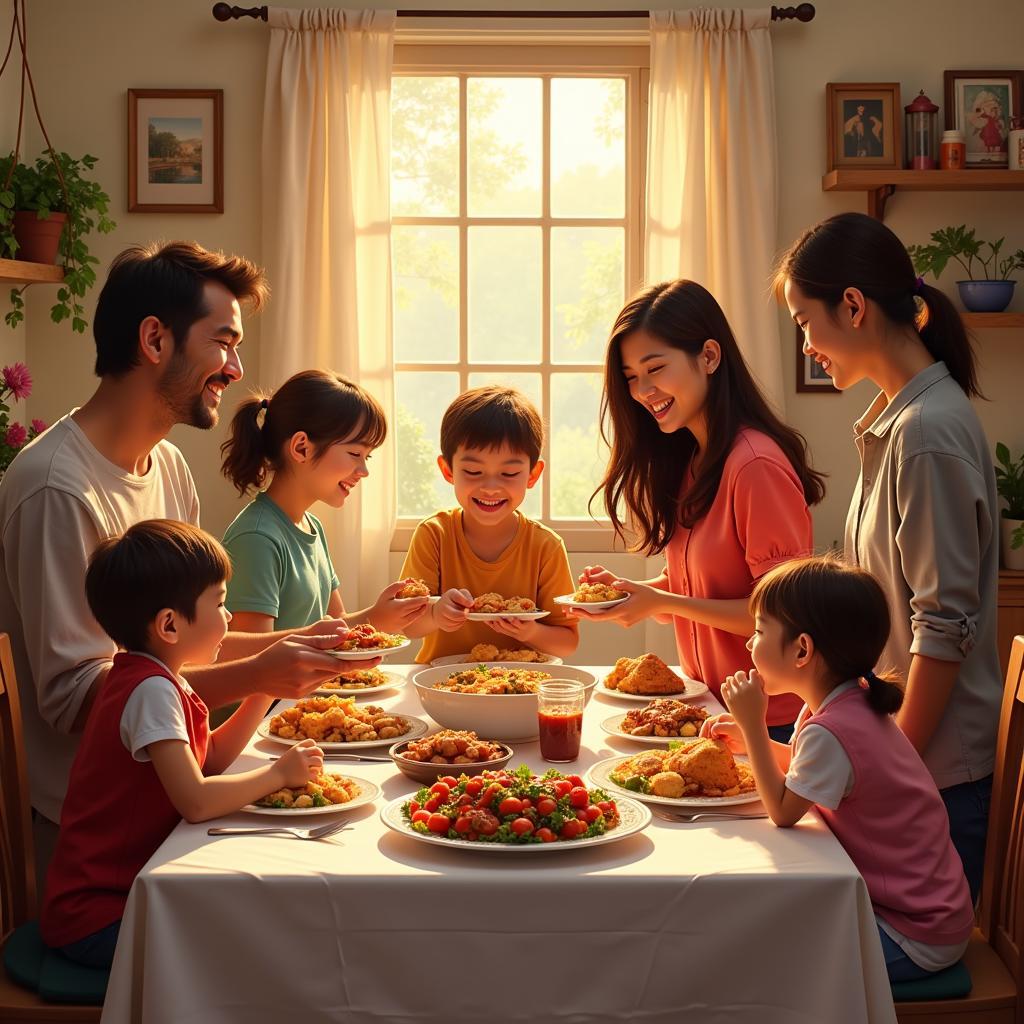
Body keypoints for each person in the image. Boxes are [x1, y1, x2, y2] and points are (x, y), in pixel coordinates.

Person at [0, 242, 374, 872]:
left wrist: (305, 644)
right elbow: (76, 700)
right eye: (223, 342)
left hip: (171, 801)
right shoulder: (56, 489)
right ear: (154, 339)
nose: (235, 368)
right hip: (99, 841)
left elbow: (185, 643)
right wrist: (259, 676)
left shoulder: (167, 467)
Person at [775, 211, 1001, 902]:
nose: (807, 343)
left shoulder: (927, 432)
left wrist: (885, 772)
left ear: (853, 306)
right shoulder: (898, 420)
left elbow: (942, 629)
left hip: (934, 788)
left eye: (806, 322)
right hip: (909, 771)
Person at [40, 520, 324, 969]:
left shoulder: (155, 677)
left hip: (129, 898)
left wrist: (263, 691)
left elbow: (208, 761)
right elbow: (195, 800)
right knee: (253, 951)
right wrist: (277, 774)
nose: (229, 618)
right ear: (170, 625)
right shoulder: (150, 691)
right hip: (98, 918)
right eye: (221, 603)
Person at [704, 555, 975, 983]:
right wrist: (753, 740)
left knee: (766, 967)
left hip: (915, 934)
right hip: (926, 914)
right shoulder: (846, 701)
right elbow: (807, 773)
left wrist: (753, 726)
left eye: (758, 631)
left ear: (802, 649)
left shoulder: (831, 728)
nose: (748, 645)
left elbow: (783, 810)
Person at [573, 280, 823, 739]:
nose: (642, 390)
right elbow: (704, 589)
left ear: (709, 356)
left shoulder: (754, 466)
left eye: (655, 368)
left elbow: (784, 614)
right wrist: (639, 596)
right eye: (630, 377)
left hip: (773, 723)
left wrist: (661, 601)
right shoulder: (694, 461)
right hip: (712, 707)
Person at [220, 369, 430, 635]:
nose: (364, 471)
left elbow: (336, 623)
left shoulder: (312, 527)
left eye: (368, 457)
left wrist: (380, 616)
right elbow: (253, 655)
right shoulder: (256, 538)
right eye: (355, 453)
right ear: (301, 448)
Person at [400, 385, 578, 663]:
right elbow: (408, 625)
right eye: (473, 471)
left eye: (509, 473)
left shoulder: (546, 546)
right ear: (448, 470)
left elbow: (567, 643)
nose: (491, 488)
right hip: (439, 684)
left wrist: (529, 631)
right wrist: (436, 615)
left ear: (533, 474)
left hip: (519, 686)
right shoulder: (434, 534)